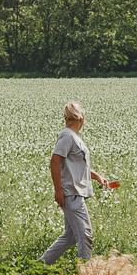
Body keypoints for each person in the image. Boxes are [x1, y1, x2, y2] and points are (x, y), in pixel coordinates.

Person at [42, 100, 103, 264]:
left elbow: (77, 167)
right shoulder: (67, 136)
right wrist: (58, 190)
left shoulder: (73, 137)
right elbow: (55, 161)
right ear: (81, 118)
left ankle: (41, 265)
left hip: (74, 192)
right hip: (72, 193)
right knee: (85, 234)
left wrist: (97, 177)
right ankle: (86, 273)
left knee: (70, 237)